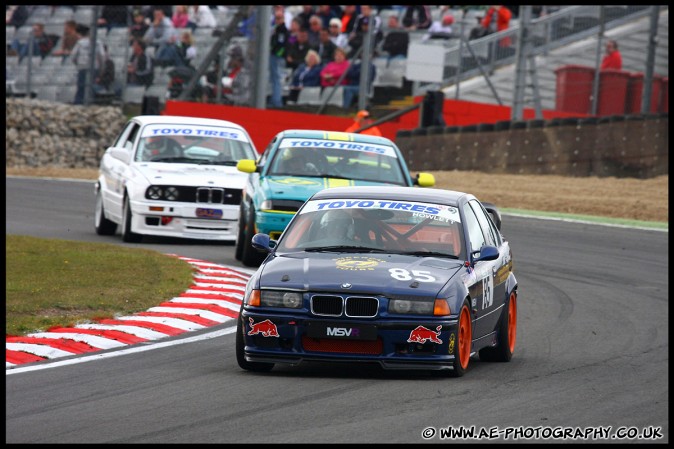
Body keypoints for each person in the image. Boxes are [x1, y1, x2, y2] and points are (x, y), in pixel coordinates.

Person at [70, 24, 105, 104]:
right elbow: (102, 56)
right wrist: (101, 69)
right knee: (91, 87)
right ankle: (90, 104)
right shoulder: (98, 42)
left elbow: (73, 56)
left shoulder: (80, 43)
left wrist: (78, 64)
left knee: (81, 87)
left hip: (83, 67)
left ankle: (79, 105)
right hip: (94, 67)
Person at [269, 5, 289, 108]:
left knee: (276, 79)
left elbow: (281, 45)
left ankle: (277, 102)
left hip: (277, 57)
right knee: (273, 79)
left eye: (279, 18)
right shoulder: (276, 29)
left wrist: (276, 54)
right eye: (276, 18)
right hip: (275, 56)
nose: (277, 20)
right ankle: (273, 99)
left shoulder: (282, 30)